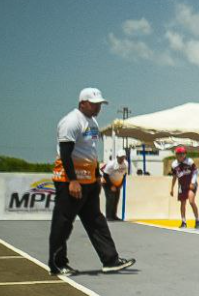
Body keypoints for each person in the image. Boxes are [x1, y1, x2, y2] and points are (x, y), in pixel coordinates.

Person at [49, 88, 135, 276]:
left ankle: (110, 260)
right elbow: (65, 153)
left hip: (88, 181)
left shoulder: (93, 122)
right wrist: (72, 181)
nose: (98, 107)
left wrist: (96, 176)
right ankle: (57, 263)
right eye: (94, 104)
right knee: (63, 222)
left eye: (100, 104)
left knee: (96, 220)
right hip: (69, 180)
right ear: (83, 103)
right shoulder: (71, 122)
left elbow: (91, 153)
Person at [169, 146, 199, 229]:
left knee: (191, 201)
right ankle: (183, 221)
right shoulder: (174, 165)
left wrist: (193, 182)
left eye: (183, 154)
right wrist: (172, 188)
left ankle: (197, 220)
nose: (181, 156)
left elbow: (196, 172)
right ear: (176, 155)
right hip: (182, 185)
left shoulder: (189, 162)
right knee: (183, 203)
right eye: (179, 154)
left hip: (191, 184)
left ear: (185, 154)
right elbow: (174, 176)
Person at [99, 153, 128, 221]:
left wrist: (121, 185)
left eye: (123, 157)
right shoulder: (111, 164)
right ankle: (108, 216)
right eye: (120, 157)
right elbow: (105, 176)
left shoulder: (126, 164)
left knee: (116, 200)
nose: (121, 159)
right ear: (117, 157)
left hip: (117, 184)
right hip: (107, 183)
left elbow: (124, 175)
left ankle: (114, 215)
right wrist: (111, 186)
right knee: (110, 199)